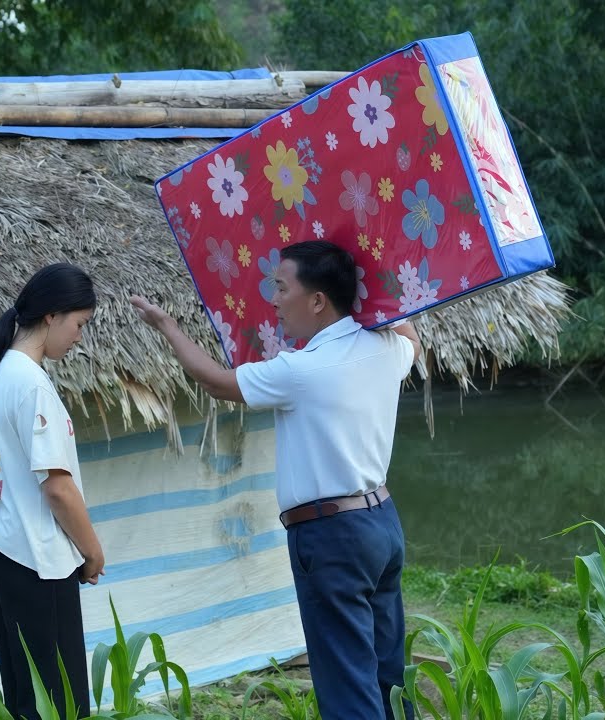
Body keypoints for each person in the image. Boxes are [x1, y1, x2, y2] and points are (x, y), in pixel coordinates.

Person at [130, 240, 421, 719]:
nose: (274, 300)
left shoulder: (301, 370)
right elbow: (412, 338)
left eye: (281, 288)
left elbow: (214, 381)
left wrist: (166, 326)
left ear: (317, 301)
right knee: (387, 672)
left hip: (332, 536)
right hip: (382, 524)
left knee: (347, 680)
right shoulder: (386, 350)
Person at [0, 262, 105, 720]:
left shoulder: (4, 372)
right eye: (79, 324)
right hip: (38, 559)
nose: (79, 337)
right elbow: (57, 488)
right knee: (61, 703)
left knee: (26, 698)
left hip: (6, 546)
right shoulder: (32, 385)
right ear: (52, 316)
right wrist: (93, 551)